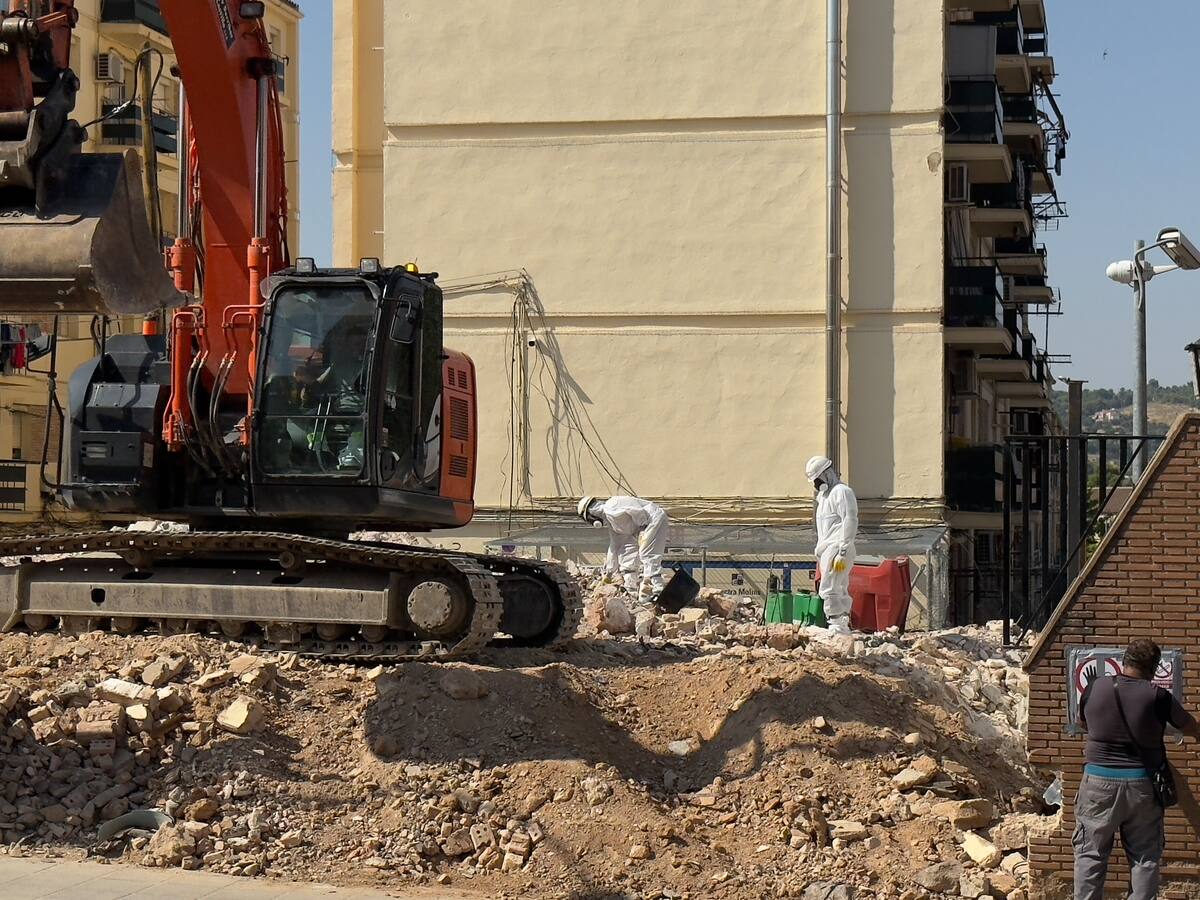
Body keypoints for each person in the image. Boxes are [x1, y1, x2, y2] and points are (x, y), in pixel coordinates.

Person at [1075, 639, 1200, 900]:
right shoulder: (1158, 696)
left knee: (1090, 855)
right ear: (1154, 667)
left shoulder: (1094, 687)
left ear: (1125, 660)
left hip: (1097, 783)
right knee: (1144, 857)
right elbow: (1188, 726)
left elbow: (1083, 722)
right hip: (1142, 785)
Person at [805, 456, 858, 636]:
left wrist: (844, 547)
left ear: (827, 474)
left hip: (838, 548)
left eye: (818, 479)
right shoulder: (824, 497)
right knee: (838, 585)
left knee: (830, 586)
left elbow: (850, 519)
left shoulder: (841, 492)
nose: (816, 484)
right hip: (829, 548)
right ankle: (840, 623)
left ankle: (836, 624)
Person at [578, 496, 670, 598]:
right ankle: (631, 591)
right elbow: (615, 547)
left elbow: (636, 510)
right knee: (626, 552)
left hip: (652, 519)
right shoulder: (612, 524)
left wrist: (643, 527)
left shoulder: (613, 504)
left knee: (647, 553)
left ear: (590, 513)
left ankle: (657, 589)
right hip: (639, 529)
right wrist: (609, 573)